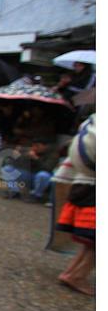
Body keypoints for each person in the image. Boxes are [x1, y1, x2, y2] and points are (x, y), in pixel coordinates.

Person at [53, 114, 95, 295]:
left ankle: (71, 272)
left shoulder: (90, 123)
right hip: (93, 184)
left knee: (92, 242)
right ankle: (77, 275)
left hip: (82, 181)